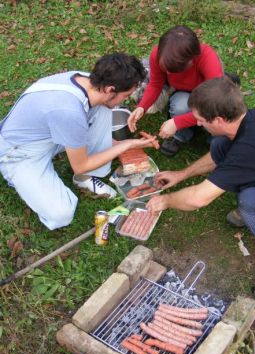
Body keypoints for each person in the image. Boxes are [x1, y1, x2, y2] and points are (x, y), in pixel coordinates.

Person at [146, 77, 255, 301]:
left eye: (200, 120)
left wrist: (166, 201)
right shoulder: (248, 120)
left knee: (252, 200)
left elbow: (199, 198)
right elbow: (218, 155)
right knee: (220, 144)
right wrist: (182, 175)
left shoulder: (251, 149)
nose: (198, 125)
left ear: (218, 119)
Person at [0, 53, 157, 230]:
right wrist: (127, 145)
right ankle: (21, 176)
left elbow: (85, 119)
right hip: (19, 152)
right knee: (61, 214)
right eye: (126, 95)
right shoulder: (70, 112)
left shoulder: (89, 82)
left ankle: (85, 179)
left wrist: (128, 145)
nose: (126, 100)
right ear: (110, 89)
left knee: (105, 108)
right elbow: (80, 165)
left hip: (52, 133)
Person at [127, 25, 224, 156]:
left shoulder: (207, 57)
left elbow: (215, 105)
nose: (167, 73)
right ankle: (181, 136)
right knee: (179, 106)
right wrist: (142, 107)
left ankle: (216, 137)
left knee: (220, 119)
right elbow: (156, 84)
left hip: (211, 95)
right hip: (185, 92)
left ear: (191, 60)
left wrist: (178, 122)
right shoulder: (158, 54)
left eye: (172, 70)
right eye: (165, 69)